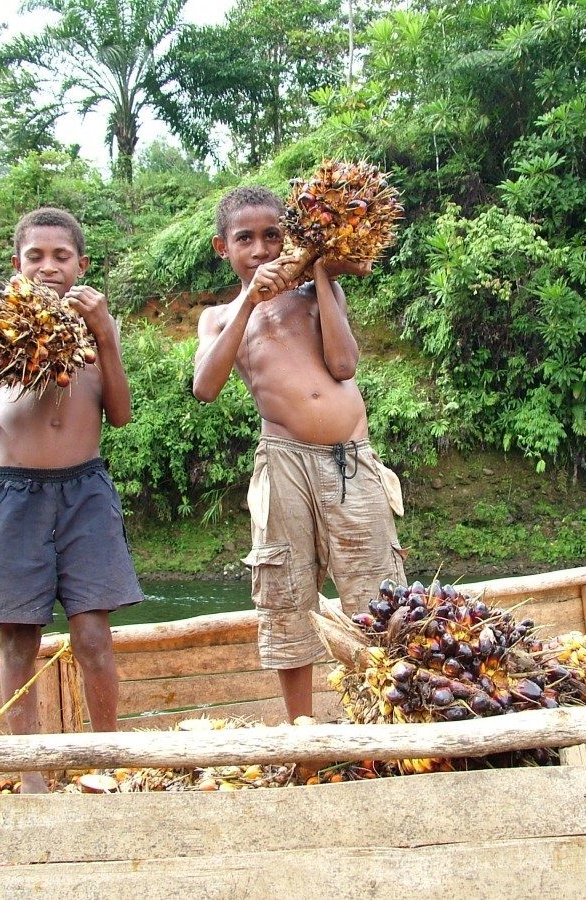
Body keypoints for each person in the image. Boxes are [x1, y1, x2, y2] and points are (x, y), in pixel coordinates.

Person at [193, 185, 407, 723]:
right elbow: (205, 385)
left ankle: (386, 718)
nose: (262, 249)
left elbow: (343, 365)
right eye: (247, 239)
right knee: (287, 591)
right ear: (225, 249)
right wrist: (249, 300)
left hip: (350, 459)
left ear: (292, 237)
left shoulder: (318, 294)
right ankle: (301, 730)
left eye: (273, 236)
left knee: (376, 588)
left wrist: (322, 272)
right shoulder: (219, 317)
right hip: (283, 461)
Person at [0, 207, 143, 793]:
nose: (49, 267)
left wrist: (106, 332)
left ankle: (105, 759)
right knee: (18, 637)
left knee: (92, 634)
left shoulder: (92, 332)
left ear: (82, 265)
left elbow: (122, 415)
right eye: (36, 256)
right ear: (17, 266)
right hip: (14, 495)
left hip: (85, 490)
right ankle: (30, 771)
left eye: (62, 257)